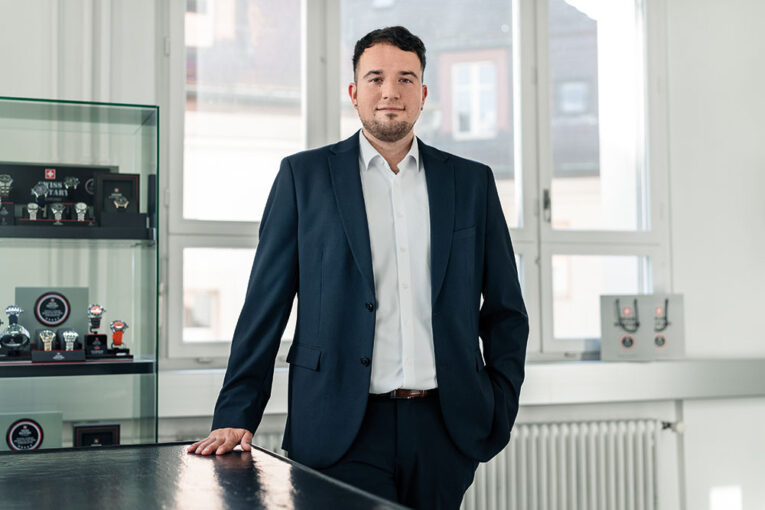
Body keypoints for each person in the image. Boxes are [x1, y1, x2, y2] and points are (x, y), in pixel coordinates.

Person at [188, 26, 528, 510]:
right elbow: (265, 307)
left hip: (444, 429)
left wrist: (500, 404)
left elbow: (506, 311)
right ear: (353, 92)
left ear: (423, 94)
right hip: (338, 427)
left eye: (406, 79)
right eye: (376, 78)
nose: (391, 91)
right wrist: (235, 412)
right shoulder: (303, 177)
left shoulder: (472, 183)